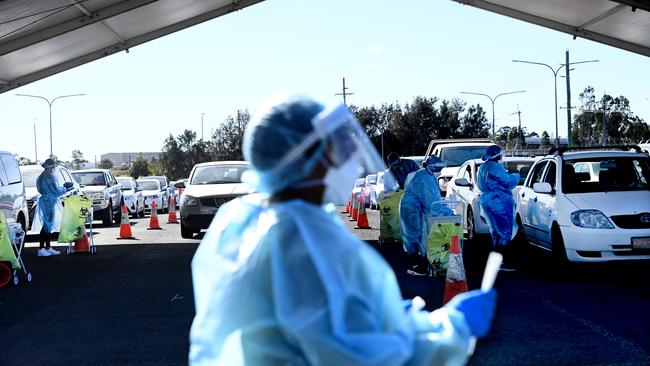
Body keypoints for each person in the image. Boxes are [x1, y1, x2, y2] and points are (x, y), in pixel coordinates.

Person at [189, 95, 497, 365]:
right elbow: (367, 356)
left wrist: (378, 313)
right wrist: (452, 328)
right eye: (339, 147)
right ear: (309, 157)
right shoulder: (305, 241)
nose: (351, 156)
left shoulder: (244, 219)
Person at [399, 155, 451, 276]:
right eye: (438, 168)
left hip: (412, 206)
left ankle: (416, 263)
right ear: (432, 166)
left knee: (414, 234)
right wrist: (448, 213)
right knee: (413, 234)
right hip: (411, 207)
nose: (440, 171)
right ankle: (415, 266)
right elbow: (432, 202)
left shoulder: (425, 174)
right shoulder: (425, 179)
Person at [476, 145, 520, 271]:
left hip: (486, 200)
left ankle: (497, 261)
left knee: (495, 231)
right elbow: (507, 183)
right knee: (505, 231)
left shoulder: (483, 167)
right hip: (498, 201)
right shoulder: (494, 167)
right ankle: (504, 262)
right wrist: (516, 176)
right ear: (497, 155)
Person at [36, 158, 67, 257]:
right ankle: (42, 249)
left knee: (47, 225)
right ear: (51, 167)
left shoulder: (41, 176)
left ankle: (47, 247)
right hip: (49, 201)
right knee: (46, 225)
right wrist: (65, 188)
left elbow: (40, 190)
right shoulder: (50, 177)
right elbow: (57, 190)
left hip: (44, 200)